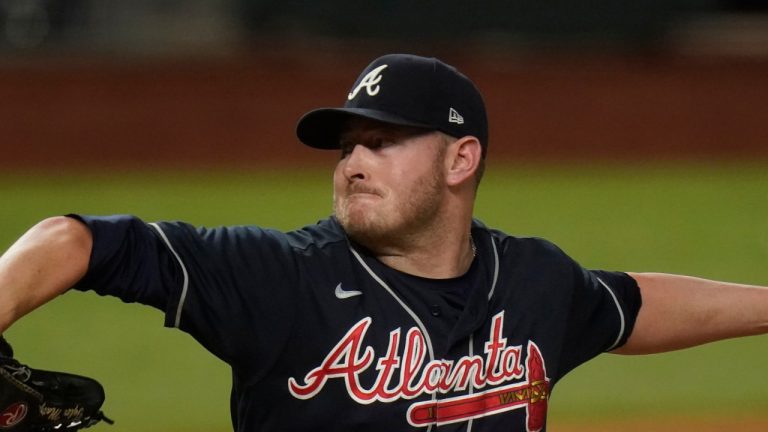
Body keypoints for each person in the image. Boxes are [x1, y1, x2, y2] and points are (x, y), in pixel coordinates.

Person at [0, 53, 766, 432]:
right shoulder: (278, 279)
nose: (355, 161)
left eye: (384, 140)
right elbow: (77, 241)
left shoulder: (536, 283)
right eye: (346, 147)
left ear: (461, 159)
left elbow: (629, 306)